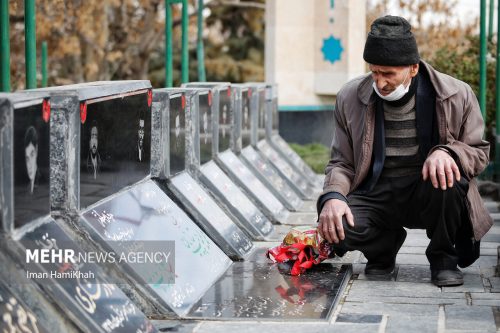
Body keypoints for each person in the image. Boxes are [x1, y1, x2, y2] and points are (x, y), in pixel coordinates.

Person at [317, 15, 492, 287]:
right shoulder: (350, 96)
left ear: (412, 68)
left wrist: (449, 152)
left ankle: (443, 258)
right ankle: (383, 249)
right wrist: (334, 197)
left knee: (450, 176)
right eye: (374, 71)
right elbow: (342, 161)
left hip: (429, 190)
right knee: (334, 223)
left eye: (389, 74)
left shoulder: (456, 93)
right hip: (376, 192)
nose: (380, 82)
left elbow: (478, 152)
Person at [24, 126, 39, 194]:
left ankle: (31, 188)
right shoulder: (30, 145)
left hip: (31, 160)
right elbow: (30, 155)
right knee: (32, 173)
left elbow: (32, 154)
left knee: (32, 173)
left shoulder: (29, 144)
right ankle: (31, 188)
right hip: (31, 160)